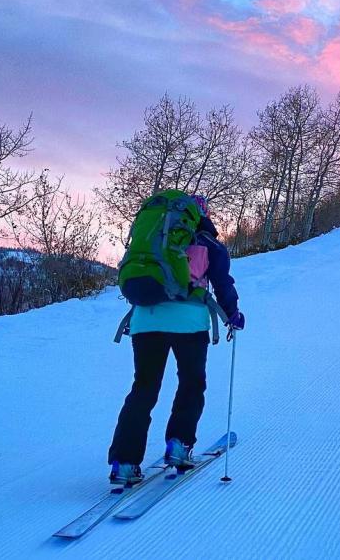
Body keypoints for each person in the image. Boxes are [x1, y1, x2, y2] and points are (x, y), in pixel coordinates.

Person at [107, 194, 244, 484]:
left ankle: (124, 463)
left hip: (146, 318)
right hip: (189, 322)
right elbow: (223, 284)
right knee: (191, 383)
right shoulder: (210, 244)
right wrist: (233, 314)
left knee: (143, 388)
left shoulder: (153, 238)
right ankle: (179, 447)